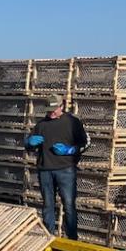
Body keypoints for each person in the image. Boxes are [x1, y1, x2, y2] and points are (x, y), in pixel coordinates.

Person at [24, 94, 88, 240]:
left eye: (54, 109)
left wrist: (70, 150)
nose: (51, 113)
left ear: (62, 107)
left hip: (66, 170)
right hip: (45, 169)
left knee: (69, 205)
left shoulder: (73, 122)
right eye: (49, 110)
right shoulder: (41, 125)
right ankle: (49, 236)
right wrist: (29, 142)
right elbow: (29, 145)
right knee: (48, 205)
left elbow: (85, 143)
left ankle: (72, 238)